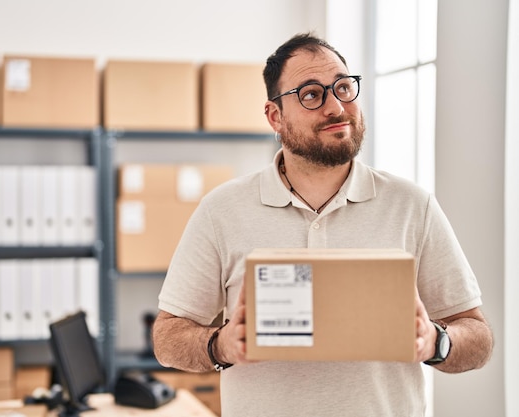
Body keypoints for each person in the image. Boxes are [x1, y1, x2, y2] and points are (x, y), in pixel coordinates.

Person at [152, 32, 493, 416]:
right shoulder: (221, 210)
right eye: (312, 94)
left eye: (344, 88)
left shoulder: (413, 205)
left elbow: (478, 338)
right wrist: (220, 346)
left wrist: (436, 341)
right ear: (275, 116)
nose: (336, 107)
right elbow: (167, 337)